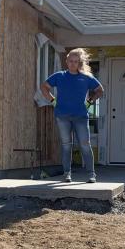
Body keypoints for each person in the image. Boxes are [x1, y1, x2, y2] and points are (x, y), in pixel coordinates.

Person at [40, 49, 104, 183]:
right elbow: (44, 87)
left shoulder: (86, 78)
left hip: (81, 116)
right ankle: (67, 174)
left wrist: (89, 102)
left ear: (79, 63)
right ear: (67, 61)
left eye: (76, 62)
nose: (73, 64)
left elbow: (100, 90)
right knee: (66, 145)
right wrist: (53, 101)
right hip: (62, 116)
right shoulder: (59, 76)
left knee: (85, 144)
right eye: (71, 61)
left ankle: (91, 174)